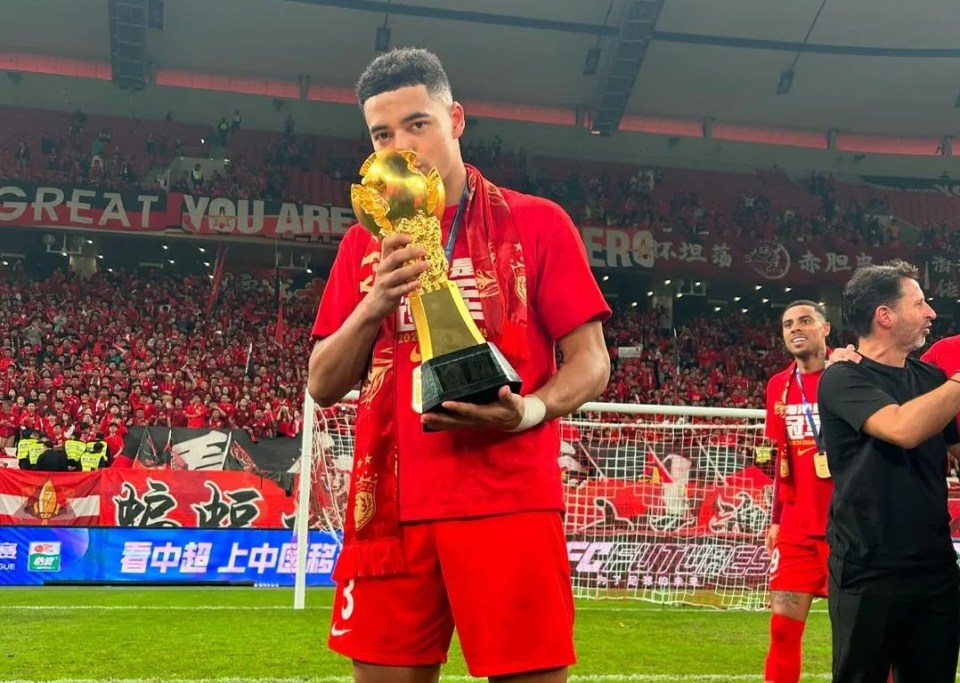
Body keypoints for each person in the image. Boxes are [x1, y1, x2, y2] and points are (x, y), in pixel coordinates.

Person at [308, 47, 611, 683]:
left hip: (507, 497)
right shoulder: (364, 242)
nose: (401, 146)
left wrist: (529, 409)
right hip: (389, 510)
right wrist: (372, 305)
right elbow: (323, 383)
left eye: (417, 124)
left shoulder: (538, 223)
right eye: (382, 133)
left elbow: (591, 362)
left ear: (457, 120)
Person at [819, 260, 960, 683]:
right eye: (920, 303)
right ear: (886, 315)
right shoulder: (843, 377)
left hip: (934, 568)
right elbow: (903, 428)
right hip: (868, 569)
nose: (931, 313)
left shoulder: (932, 377)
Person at [762, 301, 834, 683]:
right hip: (796, 528)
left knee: (864, 634)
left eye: (804, 320)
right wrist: (775, 520)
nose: (795, 329)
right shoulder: (778, 385)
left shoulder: (850, 375)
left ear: (826, 328)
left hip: (849, 528)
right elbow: (779, 458)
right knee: (782, 630)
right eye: (787, 324)